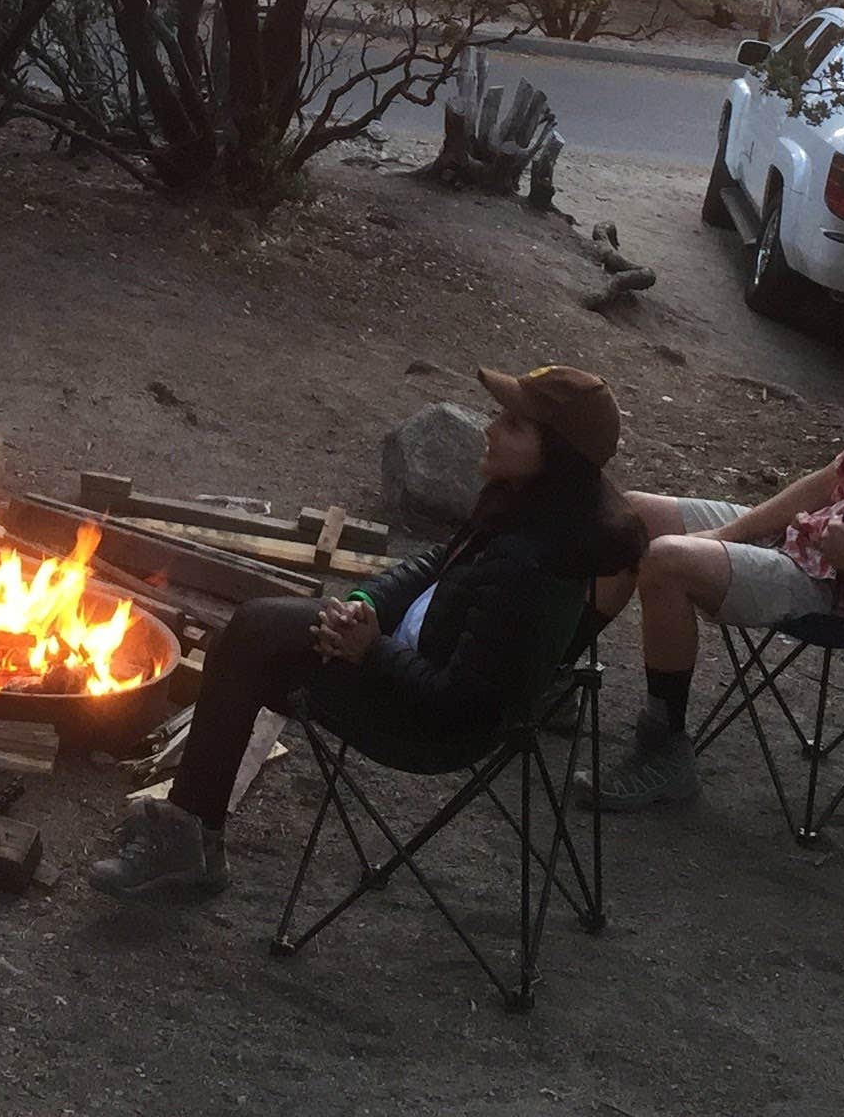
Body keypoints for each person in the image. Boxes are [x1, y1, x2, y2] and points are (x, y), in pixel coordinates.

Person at [90, 365, 644, 901]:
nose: (491, 428)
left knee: (250, 644)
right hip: (401, 655)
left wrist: (369, 651)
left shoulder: (533, 568)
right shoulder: (527, 505)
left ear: (558, 458)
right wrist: (364, 603)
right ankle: (193, 834)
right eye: (499, 414)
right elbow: (435, 565)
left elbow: (462, 702)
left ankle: (190, 839)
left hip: (424, 723)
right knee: (255, 630)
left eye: (514, 425)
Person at [583, 267, 844, 812]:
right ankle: (554, 673)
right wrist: (733, 534)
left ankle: (664, 750)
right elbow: (836, 476)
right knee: (629, 514)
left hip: (843, 594)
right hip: (808, 540)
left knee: (667, 561)